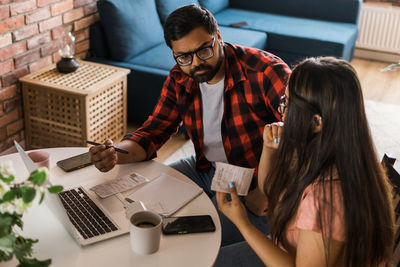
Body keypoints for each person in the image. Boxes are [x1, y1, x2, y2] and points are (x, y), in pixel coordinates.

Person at [88, 4, 291, 245]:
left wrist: (269, 191)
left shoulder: (265, 71)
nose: (195, 64)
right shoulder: (180, 77)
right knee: (137, 209)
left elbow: (306, 133)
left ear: (218, 37)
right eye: (184, 56)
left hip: (256, 181)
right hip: (206, 167)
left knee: (199, 242)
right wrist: (115, 155)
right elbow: (154, 131)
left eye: (204, 50)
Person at [215, 56, 395, 266]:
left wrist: (243, 224)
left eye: (289, 105)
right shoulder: (318, 149)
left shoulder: (328, 198)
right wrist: (270, 149)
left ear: (317, 122)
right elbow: (269, 190)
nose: (283, 112)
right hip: (283, 247)